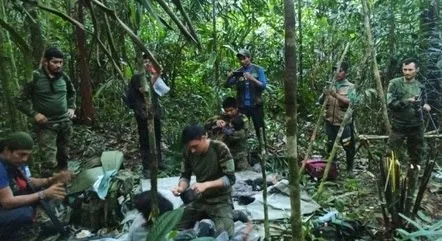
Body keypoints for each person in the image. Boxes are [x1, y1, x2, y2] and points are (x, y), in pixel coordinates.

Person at [0, 132, 73, 239]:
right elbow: (7, 202)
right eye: (21, 154)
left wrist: (51, 180)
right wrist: (43, 194)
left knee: (40, 195)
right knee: (27, 213)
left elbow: (27, 182)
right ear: (7, 150)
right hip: (5, 205)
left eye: (28, 155)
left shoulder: (13, 162)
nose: (25, 159)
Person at [16, 47, 76, 177]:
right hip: (46, 125)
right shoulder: (35, 77)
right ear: (45, 62)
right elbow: (19, 100)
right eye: (54, 62)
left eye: (60, 62)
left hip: (64, 123)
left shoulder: (64, 77)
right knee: (49, 161)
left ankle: (64, 185)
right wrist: (34, 114)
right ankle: (49, 190)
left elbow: (72, 93)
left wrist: (71, 107)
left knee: (64, 155)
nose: (58, 65)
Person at [171, 124, 236, 236]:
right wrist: (181, 187)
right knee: (173, 227)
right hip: (199, 199)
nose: (192, 150)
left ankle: (234, 214)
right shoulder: (188, 151)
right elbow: (185, 176)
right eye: (189, 147)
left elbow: (230, 179)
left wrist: (206, 185)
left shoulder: (219, 148)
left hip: (220, 200)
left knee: (225, 234)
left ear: (204, 137)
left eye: (195, 146)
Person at [387, 58, 430, 166]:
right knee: (390, 155)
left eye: (410, 70)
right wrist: (406, 101)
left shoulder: (421, 87)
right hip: (399, 125)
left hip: (416, 125)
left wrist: (425, 106)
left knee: (416, 157)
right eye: (405, 69)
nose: (407, 72)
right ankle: (390, 180)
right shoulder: (395, 84)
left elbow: (423, 103)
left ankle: (413, 179)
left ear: (417, 70)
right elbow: (391, 104)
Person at [127, 54, 164, 178]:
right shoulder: (137, 77)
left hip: (154, 112)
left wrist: (157, 74)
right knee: (145, 140)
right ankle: (147, 167)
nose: (147, 64)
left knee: (157, 137)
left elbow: (159, 91)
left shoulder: (151, 76)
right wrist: (155, 75)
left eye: (149, 61)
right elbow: (145, 90)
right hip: (143, 114)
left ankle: (159, 162)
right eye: (145, 62)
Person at [225, 49, 267, 149]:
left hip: (256, 106)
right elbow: (227, 85)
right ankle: (243, 150)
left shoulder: (258, 69)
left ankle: (263, 149)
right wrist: (229, 77)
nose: (242, 61)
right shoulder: (238, 72)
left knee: (259, 128)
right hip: (242, 107)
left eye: (244, 58)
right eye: (240, 59)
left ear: (249, 58)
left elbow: (263, 85)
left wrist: (252, 78)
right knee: (241, 129)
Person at [320, 62, 356, 172]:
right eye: (335, 70)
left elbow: (351, 102)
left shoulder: (350, 87)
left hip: (343, 123)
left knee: (348, 146)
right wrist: (324, 94)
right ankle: (332, 171)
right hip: (330, 122)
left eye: (340, 71)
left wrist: (335, 95)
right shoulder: (330, 85)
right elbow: (320, 102)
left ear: (346, 73)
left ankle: (349, 169)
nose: (337, 73)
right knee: (330, 147)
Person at [205, 97, 250, 171]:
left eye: (231, 110)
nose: (229, 113)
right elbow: (207, 123)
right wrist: (216, 121)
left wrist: (226, 130)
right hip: (223, 154)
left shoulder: (243, 118)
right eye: (226, 111)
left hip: (238, 154)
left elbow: (242, 135)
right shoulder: (222, 116)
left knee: (243, 173)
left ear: (236, 108)